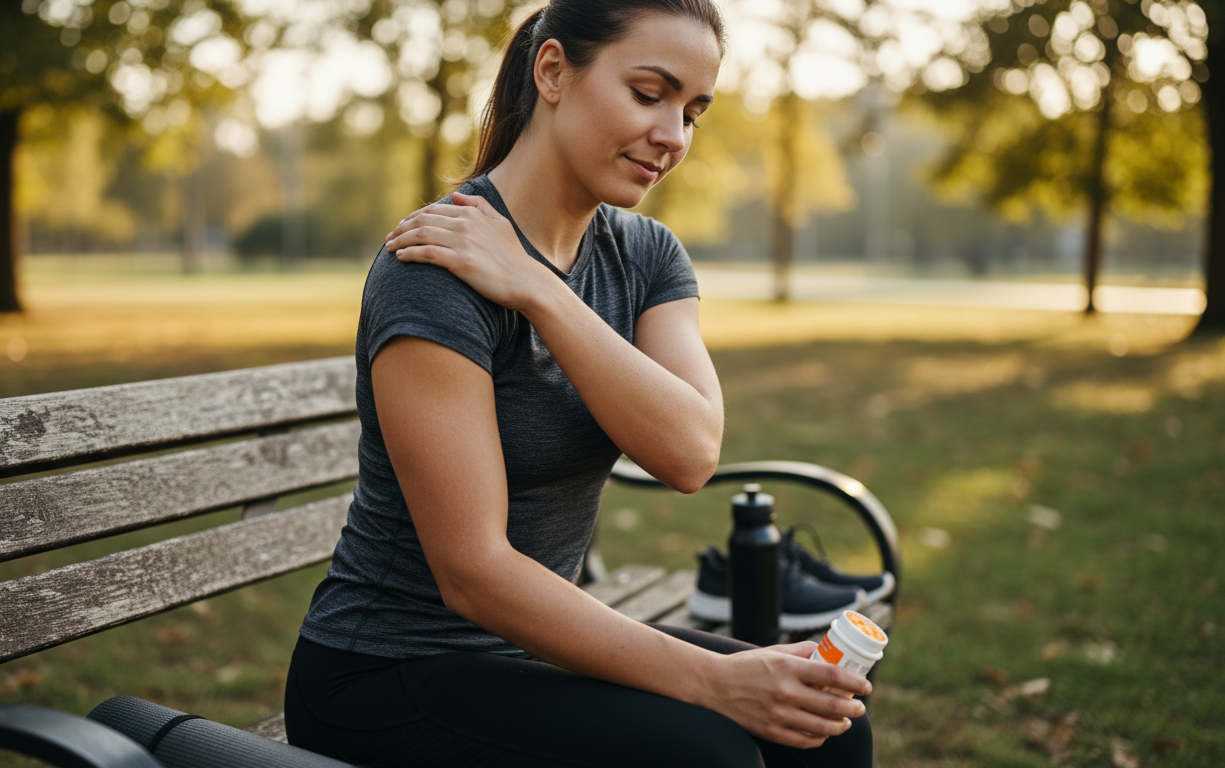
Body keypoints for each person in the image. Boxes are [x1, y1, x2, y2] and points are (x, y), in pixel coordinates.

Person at [284, 1, 875, 765]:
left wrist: (539, 289)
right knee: (709, 754)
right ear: (554, 71)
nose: (673, 136)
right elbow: (474, 575)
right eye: (648, 93)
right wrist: (715, 680)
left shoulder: (647, 257)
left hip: (529, 654)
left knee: (824, 730)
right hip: (386, 674)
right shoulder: (433, 266)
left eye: (693, 111)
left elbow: (688, 451)